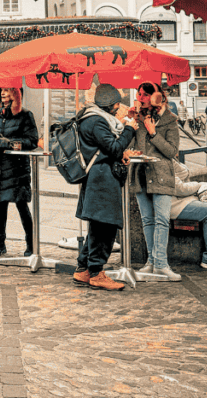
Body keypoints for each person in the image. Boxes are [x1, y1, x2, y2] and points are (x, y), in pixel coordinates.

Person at [72, 83, 138, 291]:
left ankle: (83, 269)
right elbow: (115, 148)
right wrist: (130, 129)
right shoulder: (96, 122)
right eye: (117, 105)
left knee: (97, 226)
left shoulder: (90, 117)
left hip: (96, 178)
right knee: (105, 227)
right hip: (101, 181)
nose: (118, 108)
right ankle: (96, 273)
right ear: (112, 104)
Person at [130, 84, 182, 281]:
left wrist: (153, 133)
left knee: (162, 220)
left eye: (146, 94)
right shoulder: (138, 118)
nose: (141, 97)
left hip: (161, 175)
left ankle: (161, 264)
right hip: (140, 175)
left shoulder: (170, 120)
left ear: (156, 97)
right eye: (139, 94)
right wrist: (128, 122)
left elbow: (172, 151)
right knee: (147, 220)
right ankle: (151, 262)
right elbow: (131, 147)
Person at [0, 87, 40, 257]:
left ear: (16, 94)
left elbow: (32, 141)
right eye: (1, 90)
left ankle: (31, 244)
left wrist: (10, 143)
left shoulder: (25, 115)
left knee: (22, 205)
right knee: (1, 205)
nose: (3, 93)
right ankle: (0, 244)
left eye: (8, 91)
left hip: (17, 168)